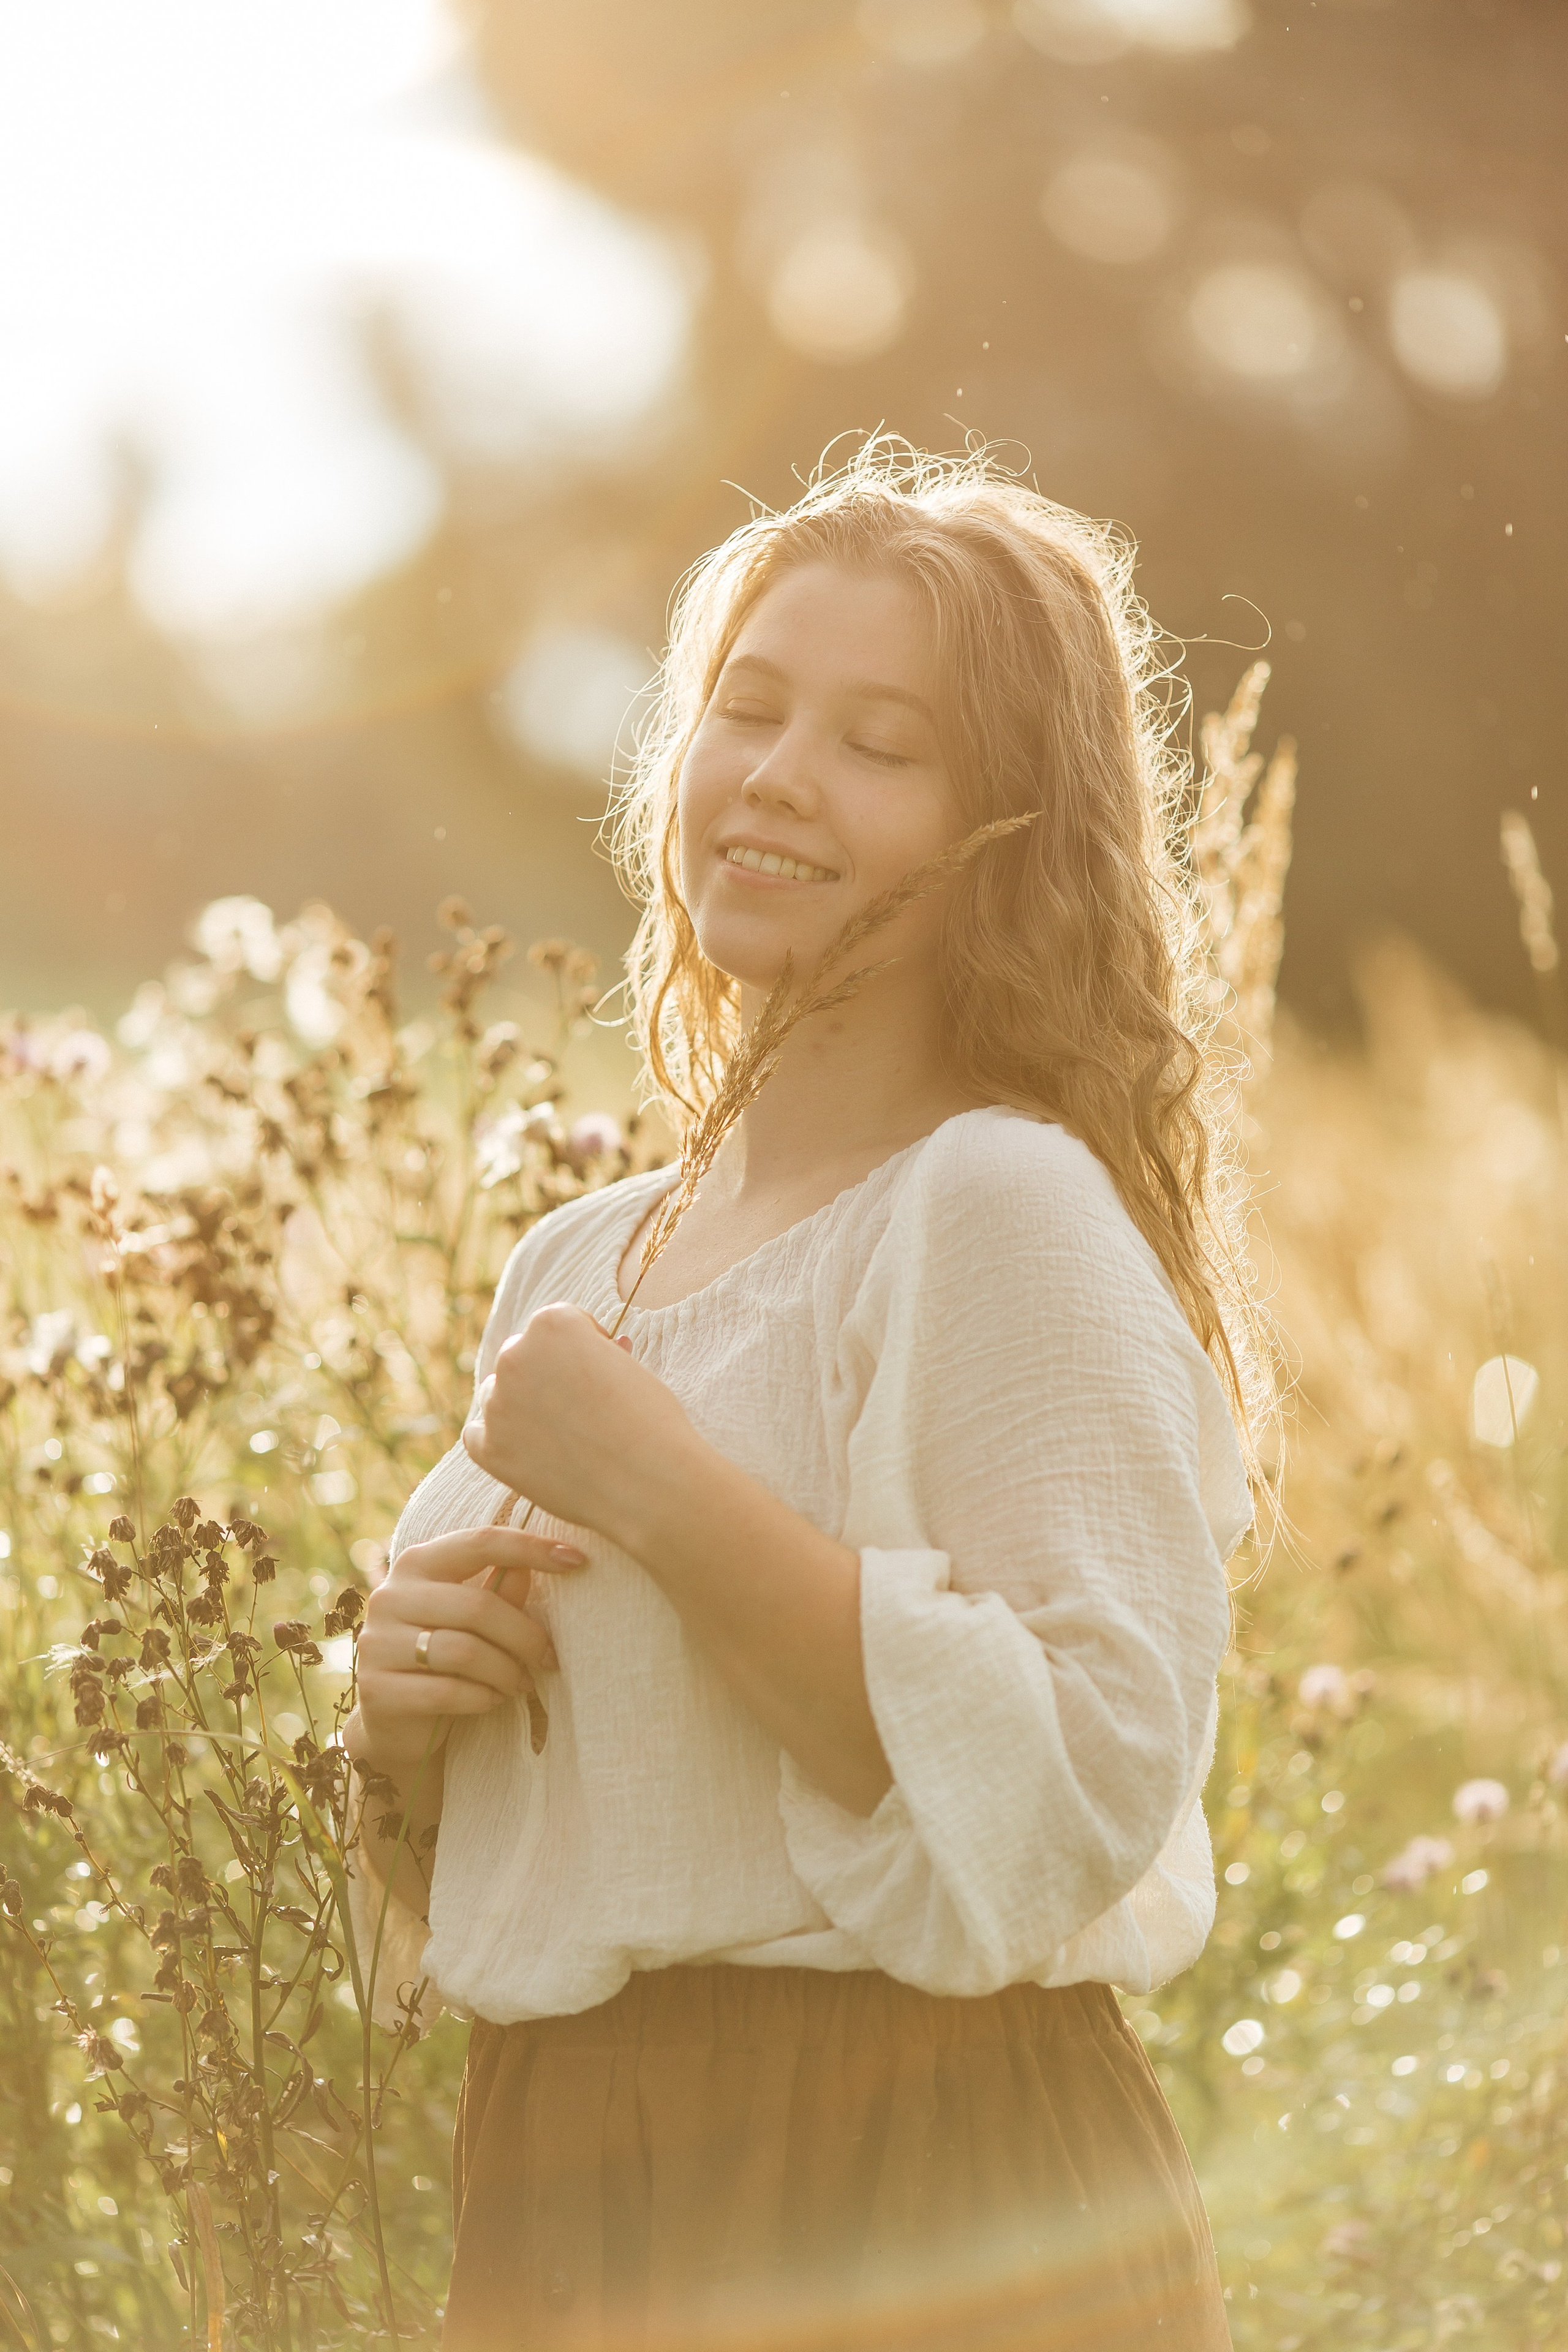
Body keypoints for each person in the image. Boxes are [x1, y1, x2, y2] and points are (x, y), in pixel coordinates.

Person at [344, 442, 1266, 2351]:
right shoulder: (581, 1257)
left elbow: (1078, 1788)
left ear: (1009, 826)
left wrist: (666, 1493)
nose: (775, 775)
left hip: (907, 2182)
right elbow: (570, 1857)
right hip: (577, 2177)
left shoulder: (996, 1206)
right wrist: (399, 1717)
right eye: (745, 710)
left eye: (880, 742)